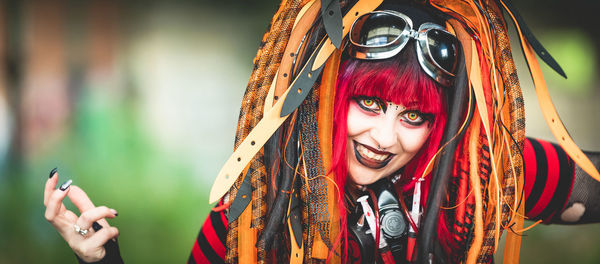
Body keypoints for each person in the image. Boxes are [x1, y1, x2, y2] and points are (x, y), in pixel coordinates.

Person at [43, 0, 600, 263]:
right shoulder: (255, 210)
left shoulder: (476, 176)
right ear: (330, 91)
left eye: (413, 116)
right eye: (370, 102)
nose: (385, 137)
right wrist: (103, 261)